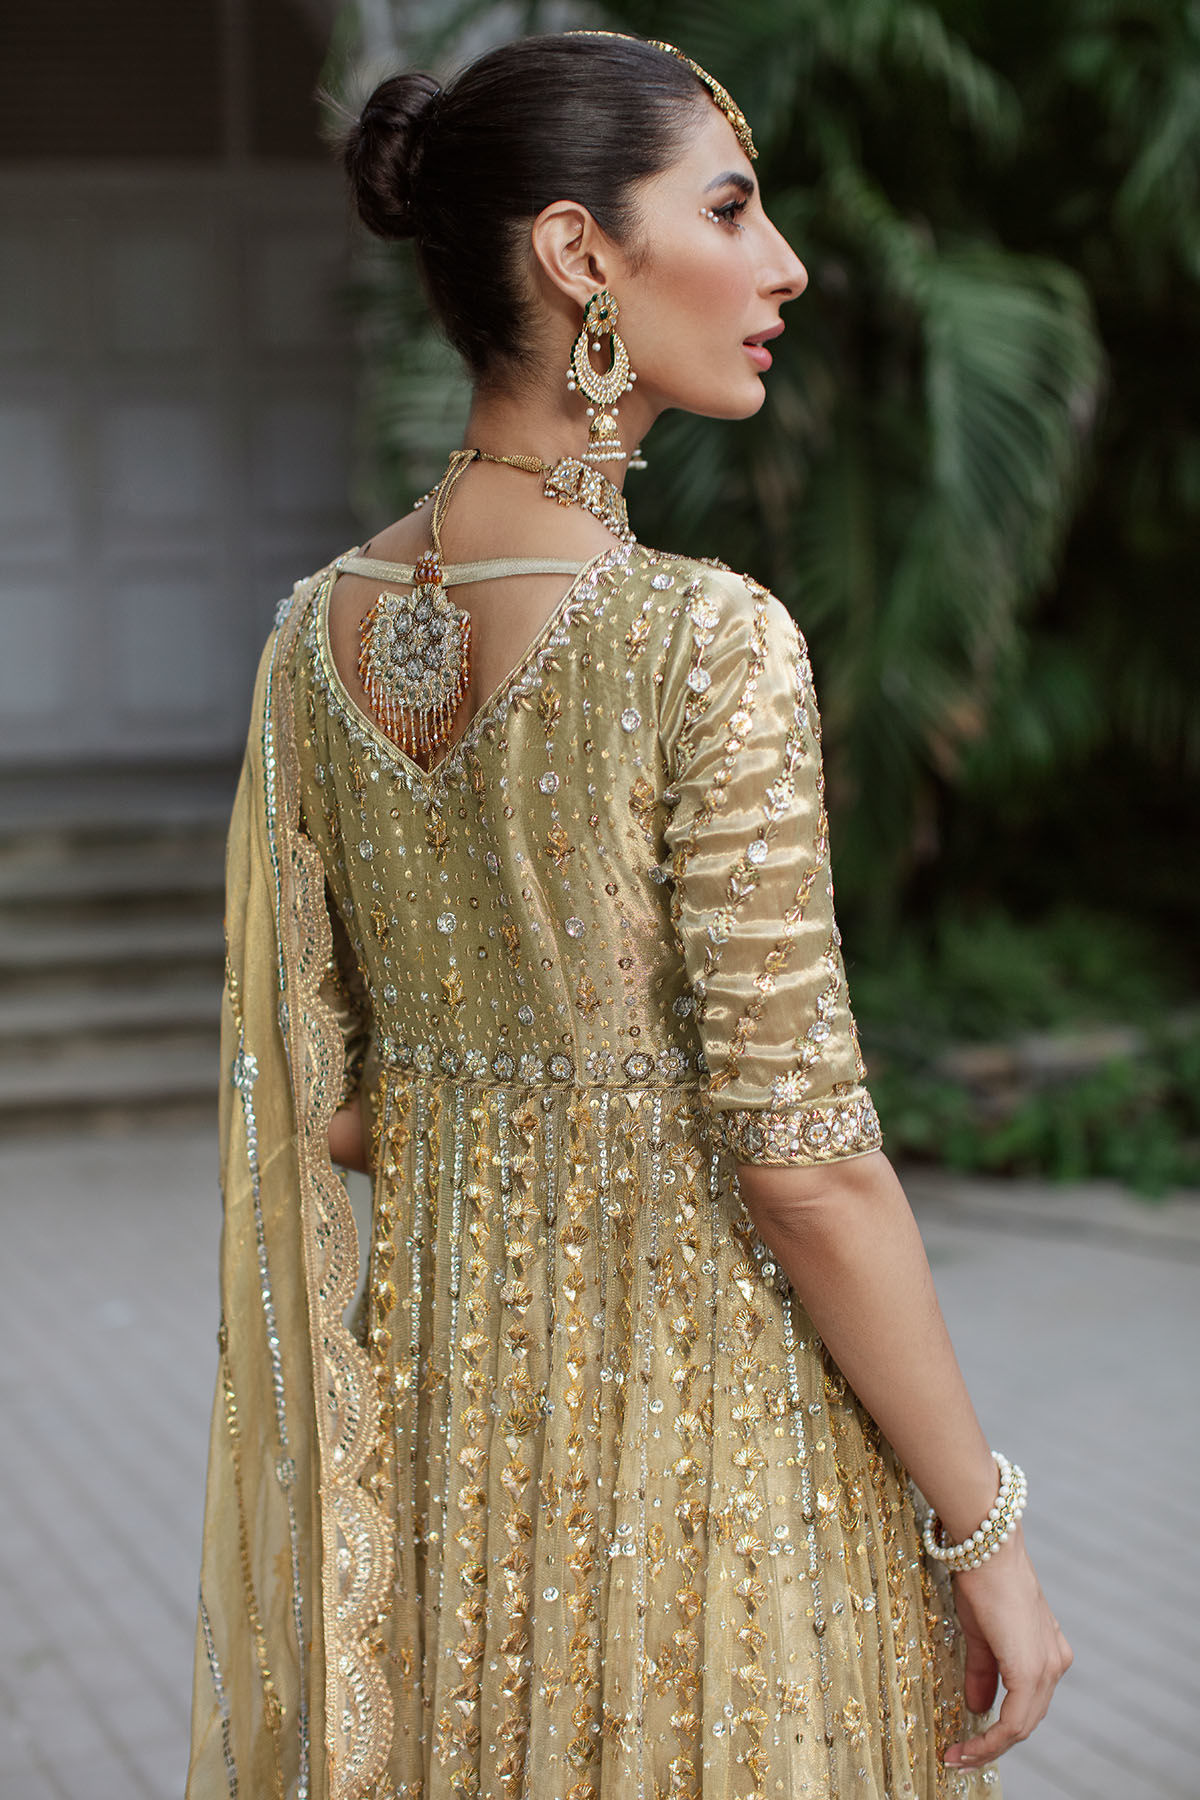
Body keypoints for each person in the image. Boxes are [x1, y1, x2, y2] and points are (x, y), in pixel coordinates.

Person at [186, 30, 1071, 1800]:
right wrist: (985, 1531)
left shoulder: (312, 640)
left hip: (446, 1476)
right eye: (732, 211)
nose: (785, 267)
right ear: (579, 253)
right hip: (714, 1473)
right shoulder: (703, 642)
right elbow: (806, 1164)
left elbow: (322, 1097)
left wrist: (503, 1125)